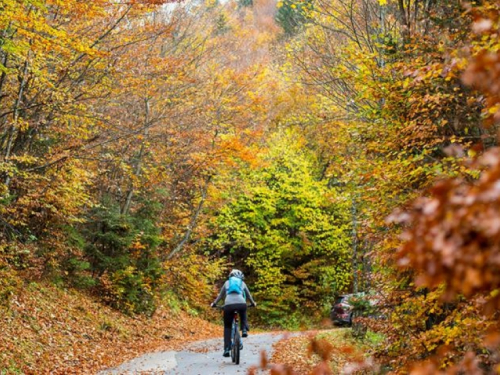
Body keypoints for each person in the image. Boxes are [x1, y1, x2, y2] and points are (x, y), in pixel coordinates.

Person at [211, 269, 257, 357]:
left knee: (227, 327)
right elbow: (248, 295)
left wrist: (214, 304)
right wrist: (253, 303)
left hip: (228, 305)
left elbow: (220, 296)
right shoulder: (242, 283)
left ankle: (227, 349)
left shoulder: (227, 283)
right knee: (243, 313)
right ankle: (244, 329)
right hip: (241, 304)